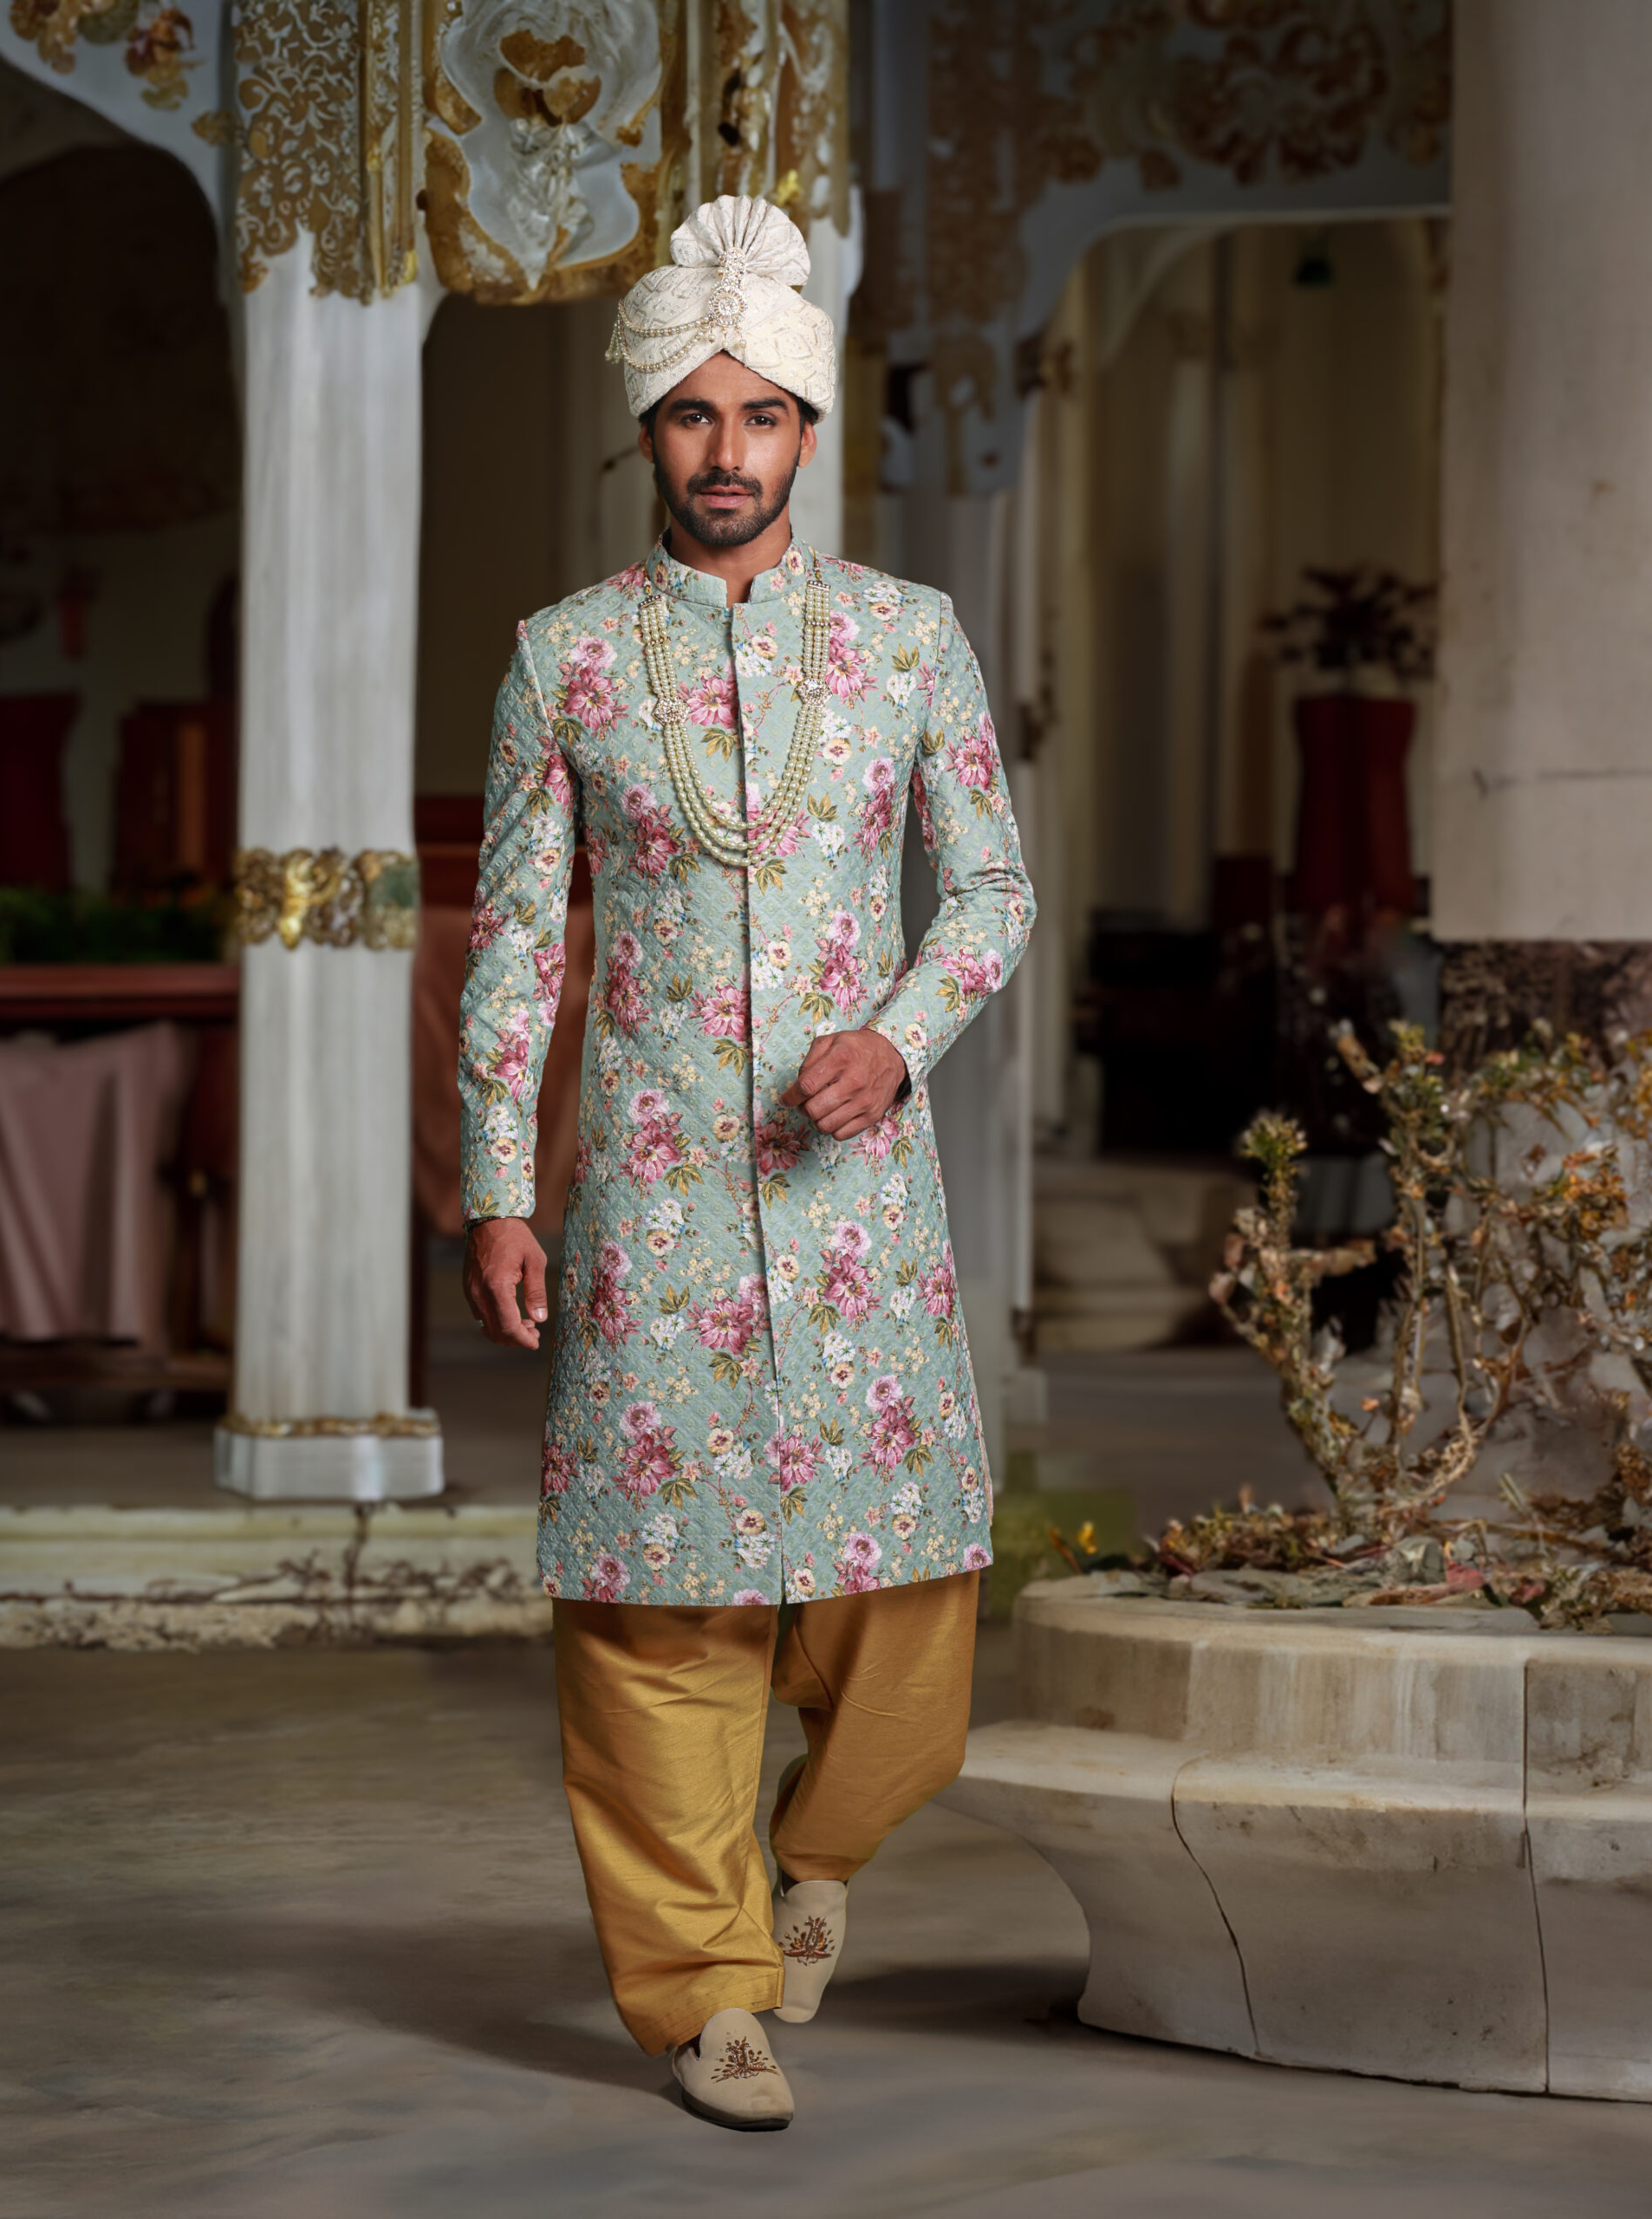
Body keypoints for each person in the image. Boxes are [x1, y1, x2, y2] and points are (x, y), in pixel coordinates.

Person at [459, 194, 1034, 2131]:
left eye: (760, 417)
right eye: (694, 416)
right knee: (656, 1614)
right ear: (648, 429)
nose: (726, 452)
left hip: (856, 1206)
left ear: (806, 431)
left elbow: (994, 889)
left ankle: (818, 1851)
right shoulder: (564, 662)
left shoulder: (907, 640)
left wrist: (901, 1034)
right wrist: (499, 1184)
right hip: (655, 1205)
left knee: (910, 1615)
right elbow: (518, 949)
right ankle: (705, 1991)